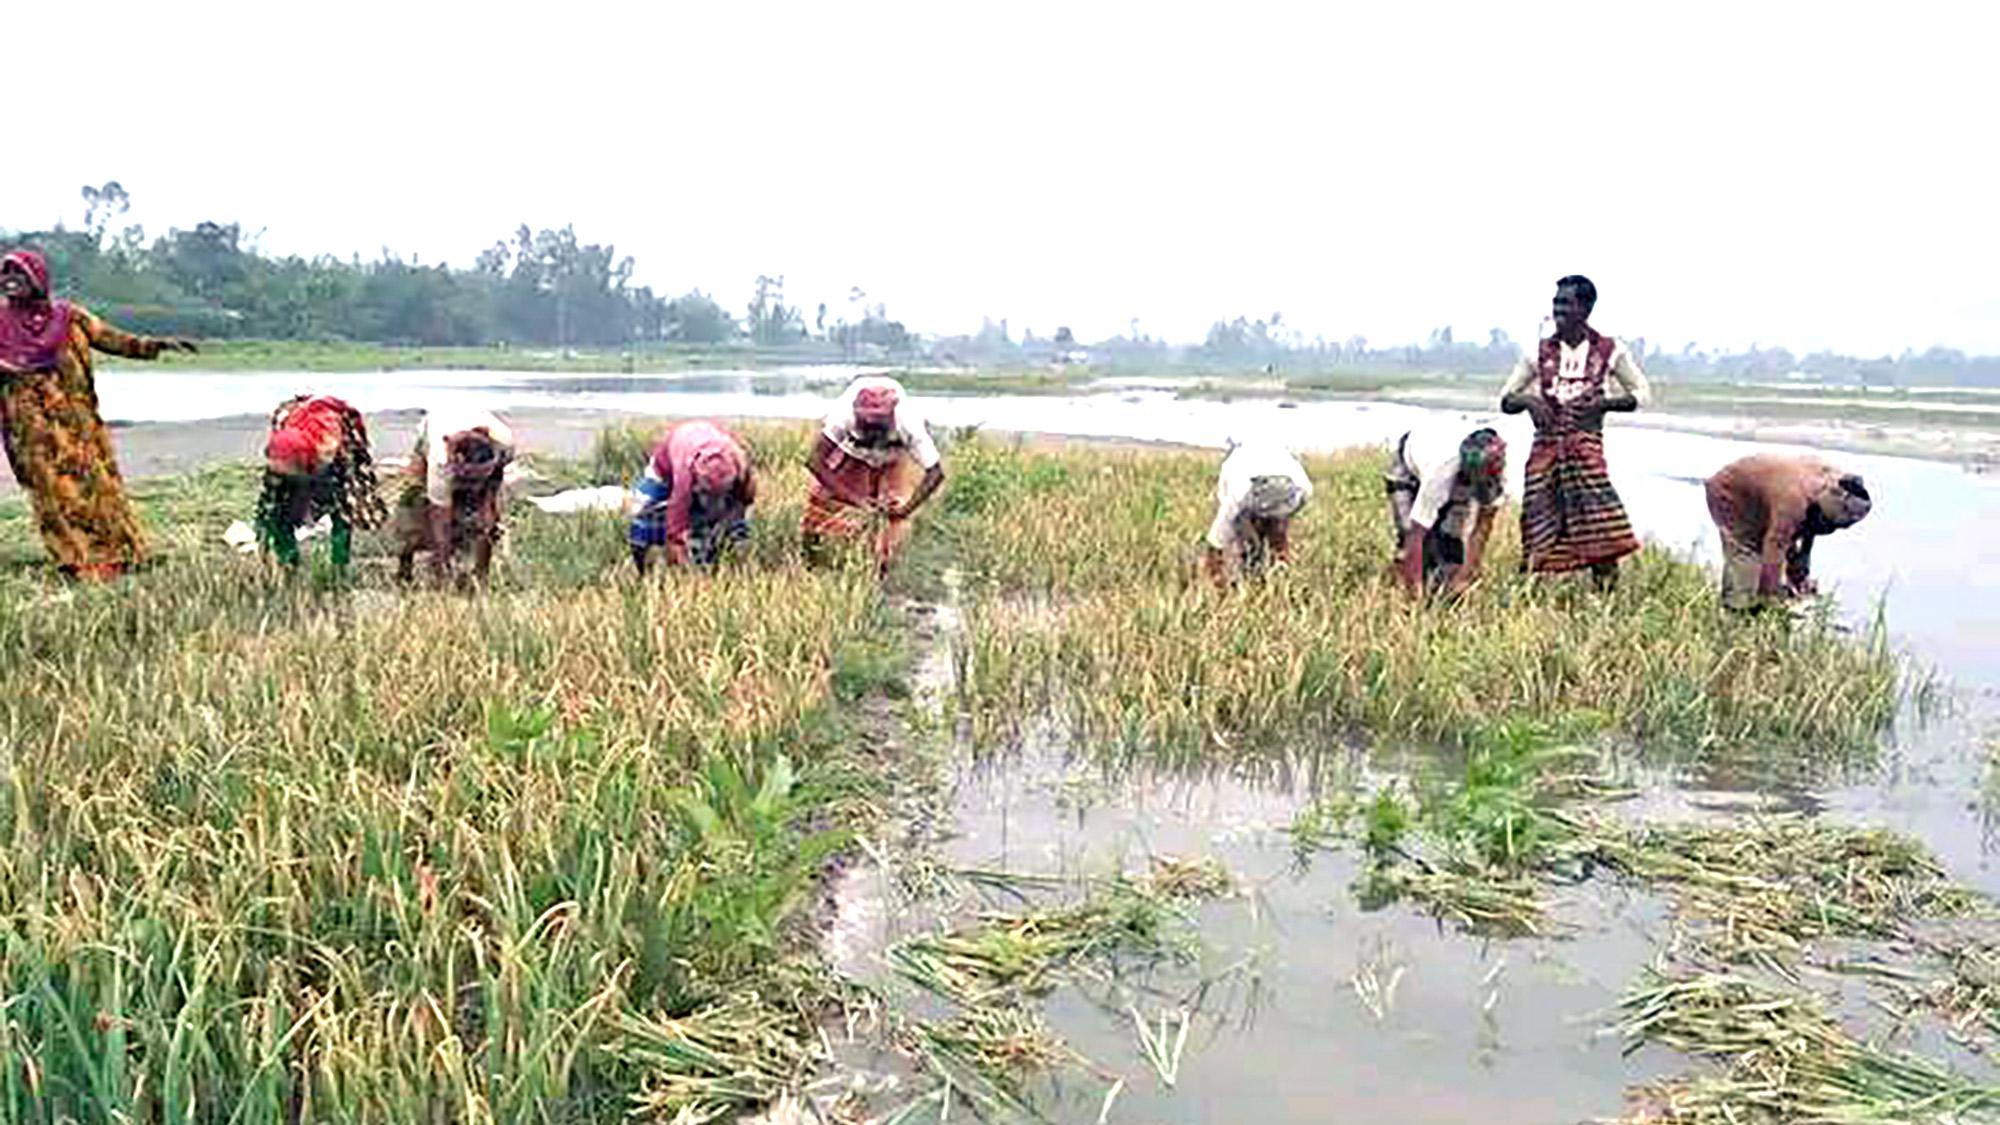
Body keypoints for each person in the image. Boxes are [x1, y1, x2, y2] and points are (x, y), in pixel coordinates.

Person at [0, 249, 197, 579]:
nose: (10, 282)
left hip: (80, 425)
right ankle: (78, 562)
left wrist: (158, 345)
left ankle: (123, 553)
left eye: (19, 274)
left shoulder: (70, 317)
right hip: (33, 433)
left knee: (100, 487)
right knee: (54, 496)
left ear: (38, 280)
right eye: (6, 275)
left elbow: (114, 340)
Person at [1499, 275, 1651, 588]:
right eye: (1556, 303)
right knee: (1539, 514)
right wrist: (1529, 401)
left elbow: (1642, 393)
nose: (1558, 310)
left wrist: (1604, 406)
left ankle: (1606, 593)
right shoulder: (1537, 352)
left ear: (1586, 308)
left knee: (1598, 517)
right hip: (1545, 450)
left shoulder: (1609, 350)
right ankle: (1529, 593)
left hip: (1586, 451)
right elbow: (1506, 399)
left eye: (1566, 303)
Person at [800, 374, 945, 574]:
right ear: (857, 416)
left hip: (892, 459)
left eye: (877, 425)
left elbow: (936, 473)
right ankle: (810, 562)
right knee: (822, 505)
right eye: (867, 425)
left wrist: (906, 509)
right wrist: (855, 499)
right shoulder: (842, 416)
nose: (872, 430)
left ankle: (879, 568)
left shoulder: (909, 422)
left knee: (891, 510)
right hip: (852, 454)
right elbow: (815, 462)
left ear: (890, 417)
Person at [1704, 453, 1871, 611]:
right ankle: (1736, 610)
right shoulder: (1794, 501)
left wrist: (1800, 575)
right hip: (1730, 493)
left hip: (1765, 495)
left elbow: (1806, 532)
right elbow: (1775, 547)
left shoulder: (1835, 482)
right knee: (1747, 556)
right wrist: (1770, 599)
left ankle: (1775, 591)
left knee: (1777, 552)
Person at [256, 394, 386, 570]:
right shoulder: (280, 454)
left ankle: (339, 566)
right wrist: (262, 532)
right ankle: (288, 563)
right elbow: (269, 501)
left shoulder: (330, 448)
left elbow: (345, 506)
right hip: (297, 450)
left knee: (341, 511)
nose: (282, 474)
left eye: (287, 471)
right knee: (280, 515)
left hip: (332, 463)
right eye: (279, 471)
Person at [395, 407, 515, 585]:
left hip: (479, 431)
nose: (472, 487)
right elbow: (440, 520)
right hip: (437, 424)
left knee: (487, 520)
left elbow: (492, 493)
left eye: (476, 479)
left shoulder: (504, 444)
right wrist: (443, 570)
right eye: (468, 479)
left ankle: (481, 574)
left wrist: (488, 519)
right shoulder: (440, 460)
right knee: (415, 504)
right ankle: (406, 566)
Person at [1385, 426, 1508, 596]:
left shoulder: (1499, 467)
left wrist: (1466, 574)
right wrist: (1415, 593)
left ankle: (1443, 587)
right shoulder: (1440, 473)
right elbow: (1416, 534)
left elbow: (1483, 524)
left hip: (1458, 470)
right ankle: (1399, 584)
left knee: (1450, 543)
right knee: (1407, 535)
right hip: (1408, 465)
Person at [629, 419, 757, 573]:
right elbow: (675, 533)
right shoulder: (684, 478)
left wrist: (723, 528)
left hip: (702, 437)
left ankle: (722, 561)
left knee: (729, 523)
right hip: (666, 466)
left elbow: (745, 501)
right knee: (642, 515)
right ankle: (642, 569)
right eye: (708, 493)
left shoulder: (740, 464)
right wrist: (685, 572)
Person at [1203, 438, 1313, 584]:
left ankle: (1276, 577)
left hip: (1276, 479)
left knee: (1276, 539)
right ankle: (1252, 568)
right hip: (1243, 487)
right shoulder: (1237, 495)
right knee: (1247, 540)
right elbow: (1215, 546)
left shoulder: (1302, 489)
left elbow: (1215, 545)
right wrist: (1217, 579)